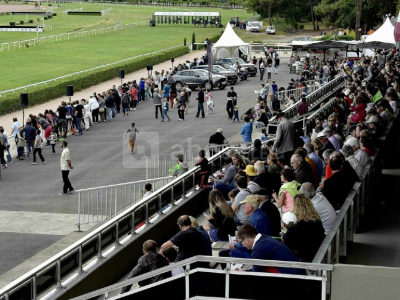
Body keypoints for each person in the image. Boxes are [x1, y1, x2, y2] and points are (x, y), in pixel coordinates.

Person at [236, 225, 301, 274]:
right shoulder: (264, 238)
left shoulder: (258, 248)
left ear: (246, 239)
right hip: (296, 271)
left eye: (241, 242)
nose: (242, 244)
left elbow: (256, 274)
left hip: (291, 278)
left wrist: (243, 272)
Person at [283, 194, 325, 262]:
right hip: (317, 255)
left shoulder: (296, 225)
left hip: (302, 259)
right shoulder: (317, 221)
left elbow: (287, 243)